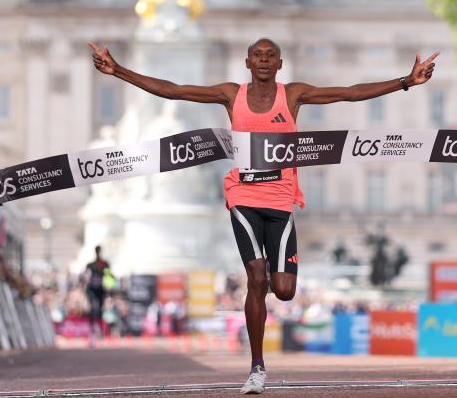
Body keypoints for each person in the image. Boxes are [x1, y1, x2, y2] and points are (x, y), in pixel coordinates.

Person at [88, 37, 438, 394]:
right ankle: (257, 366)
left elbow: (348, 92)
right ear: (247, 62)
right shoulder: (230, 94)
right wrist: (119, 71)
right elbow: (174, 91)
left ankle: (269, 282)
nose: (265, 61)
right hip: (242, 196)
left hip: (281, 199)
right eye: (258, 56)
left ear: (280, 64)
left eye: (271, 56)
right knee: (256, 278)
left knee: (283, 291)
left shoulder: (294, 95)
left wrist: (405, 81)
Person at [84, 245, 111, 346]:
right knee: (92, 310)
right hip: (91, 289)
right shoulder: (90, 265)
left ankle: (99, 331)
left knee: (100, 310)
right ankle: (92, 333)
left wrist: (108, 286)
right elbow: (85, 276)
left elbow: (110, 276)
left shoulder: (104, 264)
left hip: (100, 290)